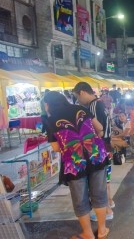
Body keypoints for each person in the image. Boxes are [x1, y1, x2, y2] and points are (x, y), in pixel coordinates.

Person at [44, 91, 109, 239]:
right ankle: (102, 230)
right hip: (95, 155)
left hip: (74, 161)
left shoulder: (50, 120)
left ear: (49, 104)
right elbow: (99, 128)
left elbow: (55, 148)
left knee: (80, 197)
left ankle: (87, 233)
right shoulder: (80, 109)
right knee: (99, 192)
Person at [72, 82, 114, 221]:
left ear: (83, 92)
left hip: (100, 147)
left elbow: (96, 130)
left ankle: (106, 210)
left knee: (99, 182)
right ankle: (109, 205)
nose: (77, 100)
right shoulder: (98, 103)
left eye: (77, 96)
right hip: (105, 146)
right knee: (103, 180)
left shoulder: (94, 105)